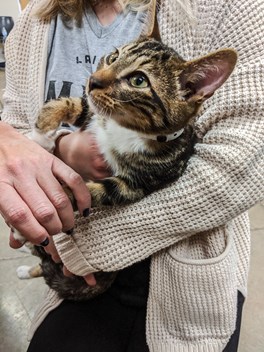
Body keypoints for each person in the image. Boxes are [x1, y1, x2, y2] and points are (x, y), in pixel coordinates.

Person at [1, 0, 263, 351]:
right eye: (111, 60)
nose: (96, 80)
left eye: (137, 79)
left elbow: (238, 167)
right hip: (68, 265)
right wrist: (61, 147)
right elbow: (17, 133)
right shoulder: (32, 23)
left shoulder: (228, 7)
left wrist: (79, 244)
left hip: (183, 268)